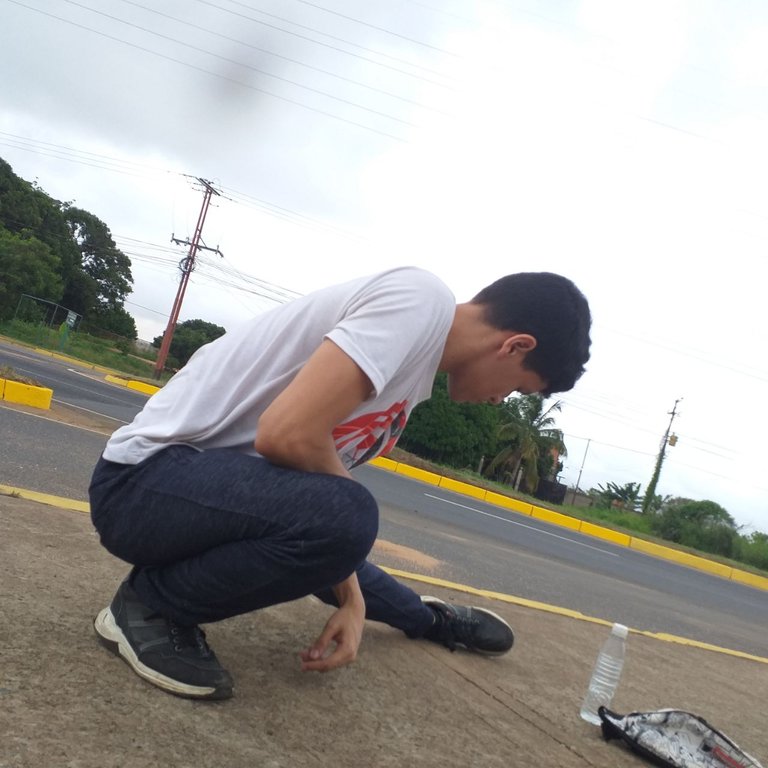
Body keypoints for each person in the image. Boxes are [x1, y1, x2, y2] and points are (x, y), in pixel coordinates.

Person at [89, 266, 591, 700]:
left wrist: (353, 599)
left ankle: (431, 621)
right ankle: (150, 608)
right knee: (347, 524)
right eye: (519, 387)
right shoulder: (420, 301)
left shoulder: (411, 378)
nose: (501, 400)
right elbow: (286, 435)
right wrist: (347, 556)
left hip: (208, 499)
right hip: (144, 483)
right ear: (515, 345)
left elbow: (310, 503)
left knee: (343, 547)